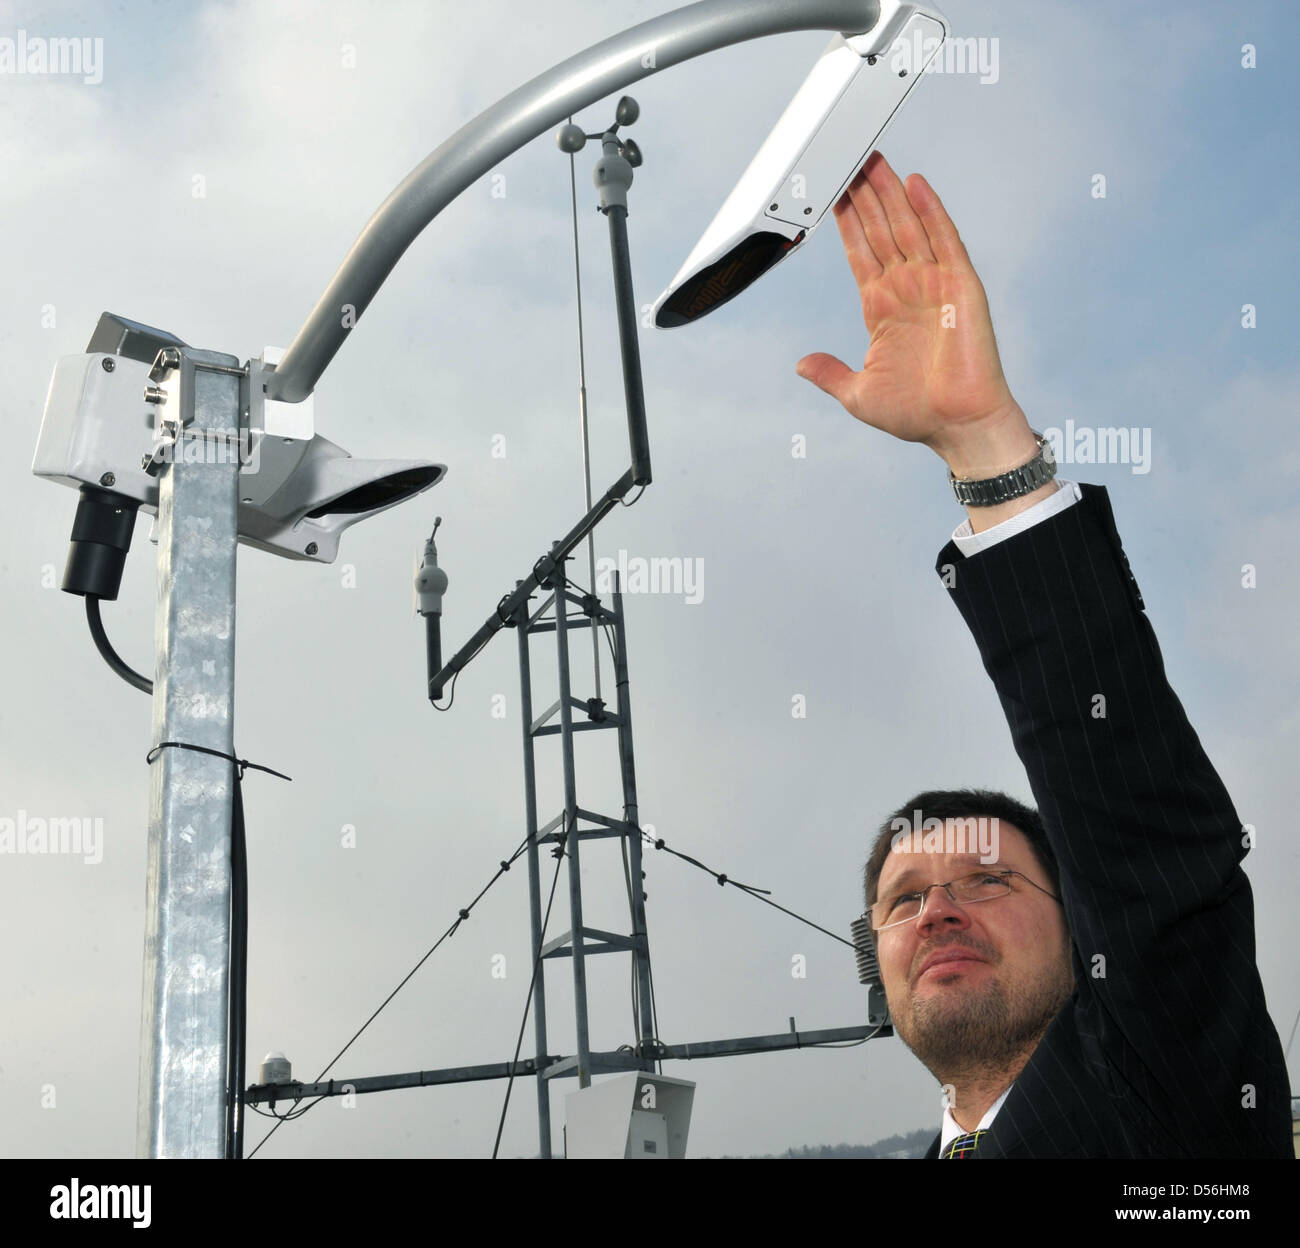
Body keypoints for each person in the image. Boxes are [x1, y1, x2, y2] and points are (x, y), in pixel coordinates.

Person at [795, 151, 1292, 1158]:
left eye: (987, 881)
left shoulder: (1162, 1114)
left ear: (1083, 928)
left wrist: (984, 452)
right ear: (871, 963)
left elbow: (1142, 849)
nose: (937, 910)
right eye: (902, 900)